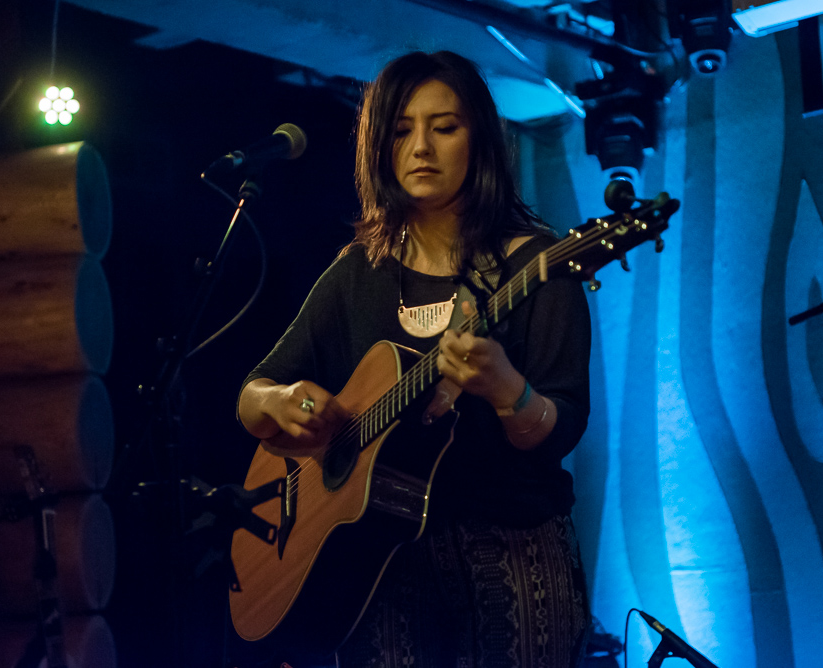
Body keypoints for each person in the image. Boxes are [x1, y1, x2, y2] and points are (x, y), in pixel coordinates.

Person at [237, 50, 592, 667]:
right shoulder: (357, 272)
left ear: (479, 139)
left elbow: (564, 423)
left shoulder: (538, 267)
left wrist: (510, 392)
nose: (421, 147)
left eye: (444, 127)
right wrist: (286, 403)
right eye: (401, 130)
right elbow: (253, 395)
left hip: (512, 553)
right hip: (377, 569)